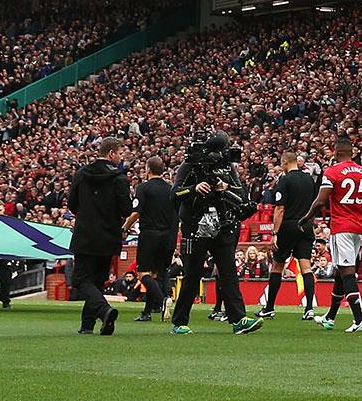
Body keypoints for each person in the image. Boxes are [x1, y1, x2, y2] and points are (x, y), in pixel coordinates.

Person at [170, 130, 250, 333]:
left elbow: (239, 193)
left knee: (229, 272)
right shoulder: (190, 165)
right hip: (195, 225)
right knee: (192, 274)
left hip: (221, 223)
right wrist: (194, 188)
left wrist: (225, 188)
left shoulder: (227, 167)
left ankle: (238, 319)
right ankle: (179, 322)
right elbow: (175, 193)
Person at [243, 147, 318, 326]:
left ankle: (269, 307)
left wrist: (274, 233)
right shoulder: (309, 179)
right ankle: (309, 309)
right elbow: (314, 204)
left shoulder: (284, 180)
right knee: (306, 267)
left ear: (285, 163)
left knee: (277, 265)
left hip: (288, 226)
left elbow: (280, 208)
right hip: (305, 225)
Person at [67, 137, 132, 336]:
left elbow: (72, 204)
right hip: (108, 236)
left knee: (81, 280)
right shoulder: (119, 177)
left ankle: (103, 311)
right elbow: (126, 208)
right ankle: (89, 324)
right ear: (111, 153)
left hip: (85, 234)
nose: (121, 158)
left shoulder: (81, 174)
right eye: (120, 154)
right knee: (95, 281)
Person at [315, 135, 362, 332]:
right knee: (342, 272)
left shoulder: (332, 172)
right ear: (352, 152)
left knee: (347, 273)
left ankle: (359, 320)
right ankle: (330, 317)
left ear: (336, 152)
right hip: (358, 227)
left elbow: (321, 200)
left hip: (341, 226)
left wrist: (306, 217)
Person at [132, 154, 176, 322]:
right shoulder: (170, 189)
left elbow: (136, 212)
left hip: (150, 234)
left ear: (148, 169)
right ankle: (147, 311)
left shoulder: (143, 188)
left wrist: (125, 227)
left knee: (143, 274)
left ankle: (163, 300)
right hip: (167, 236)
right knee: (157, 274)